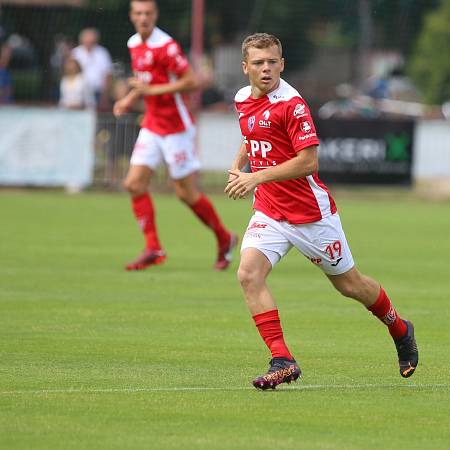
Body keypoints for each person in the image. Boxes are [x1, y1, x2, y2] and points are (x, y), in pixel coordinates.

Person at [224, 33, 418, 390]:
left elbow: (309, 162)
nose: (265, 69)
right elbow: (250, 134)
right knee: (249, 274)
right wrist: (240, 165)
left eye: (271, 62)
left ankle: (400, 328)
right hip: (269, 210)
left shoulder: (292, 105)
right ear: (245, 68)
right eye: (258, 63)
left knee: (351, 286)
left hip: (310, 215)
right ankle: (282, 359)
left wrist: (256, 176)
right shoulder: (242, 99)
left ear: (282, 64)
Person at [113, 0, 237, 271]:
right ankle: (153, 248)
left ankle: (224, 237)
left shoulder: (166, 47)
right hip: (152, 125)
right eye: (138, 13)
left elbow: (191, 81)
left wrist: (150, 92)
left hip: (176, 128)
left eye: (148, 13)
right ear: (132, 16)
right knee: (134, 184)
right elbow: (146, 81)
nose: (143, 17)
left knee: (185, 193)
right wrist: (130, 98)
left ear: (155, 15)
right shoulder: (134, 43)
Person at [71, 27, 112, 109]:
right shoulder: (75, 53)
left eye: (91, 40)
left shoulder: (102, 53)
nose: (89, 42)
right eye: (87, 39)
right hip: (78, 93)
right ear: (82, 40)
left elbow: (108, 75)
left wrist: (105, 96)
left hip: (98, 93)